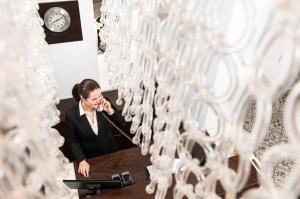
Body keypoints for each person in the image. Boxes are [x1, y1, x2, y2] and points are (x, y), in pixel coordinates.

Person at [65, 79, 125, 177]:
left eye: (100, 96)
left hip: (112, 154)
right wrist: (82, 160)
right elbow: (73, 141)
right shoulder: (71, 115)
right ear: (82, 98)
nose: (99, 101)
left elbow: (122, 124)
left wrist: (110, 111)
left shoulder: (105, 102)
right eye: (94, 99)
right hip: (91, 160)